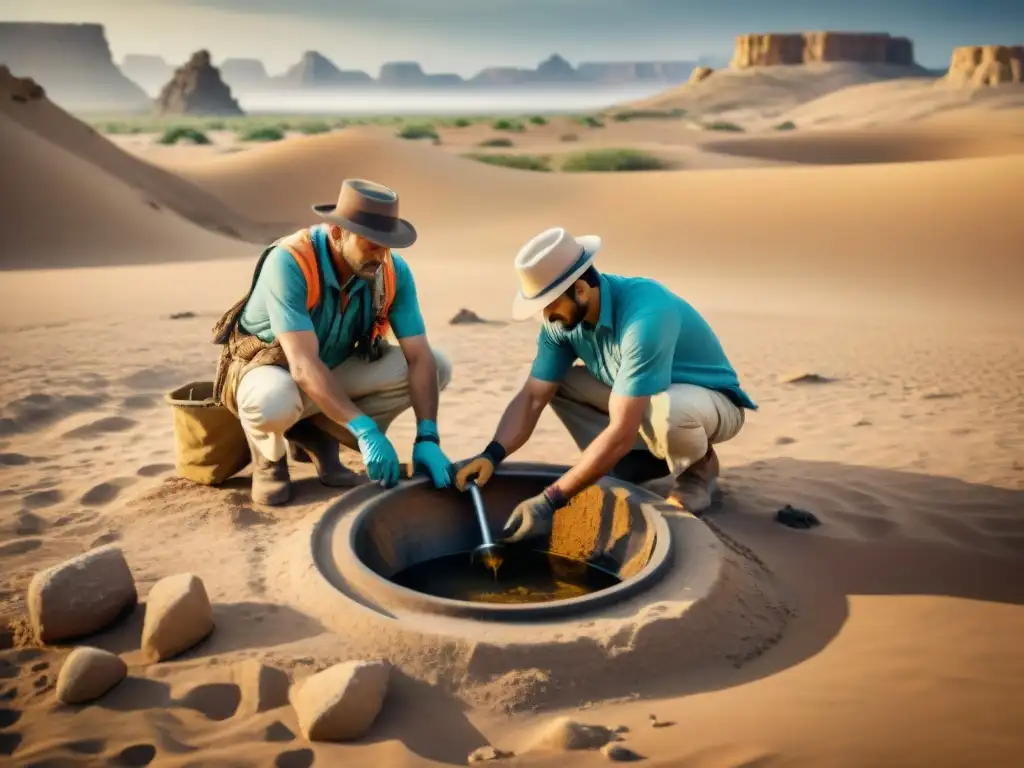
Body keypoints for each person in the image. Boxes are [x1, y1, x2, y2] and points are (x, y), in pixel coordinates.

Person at [454, 226, 756, 542]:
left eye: (549, 304)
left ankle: (698, 470)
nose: (546, 316)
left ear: (581, 290)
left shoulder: (645, 317)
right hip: (641, 400)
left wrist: (549, 501)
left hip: (709, 405)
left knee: (670, 408)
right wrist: (491, 455)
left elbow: (622, 430)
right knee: (562, 383)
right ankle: (637, 464)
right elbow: (533, 397)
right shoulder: (562, 324)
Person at [211, 178, 454, 505]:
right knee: (274, 402)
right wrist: (366, 430)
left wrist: (428, 436)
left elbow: (420, 358)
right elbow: (301, 364)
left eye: (386, 246)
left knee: (437, 366)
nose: (381, 257)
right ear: (338, 232)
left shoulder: (392, 271)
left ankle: (320, 432)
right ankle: (269, 455)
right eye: (371, 244)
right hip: (270, 371)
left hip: (329, 369)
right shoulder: (290, 262)